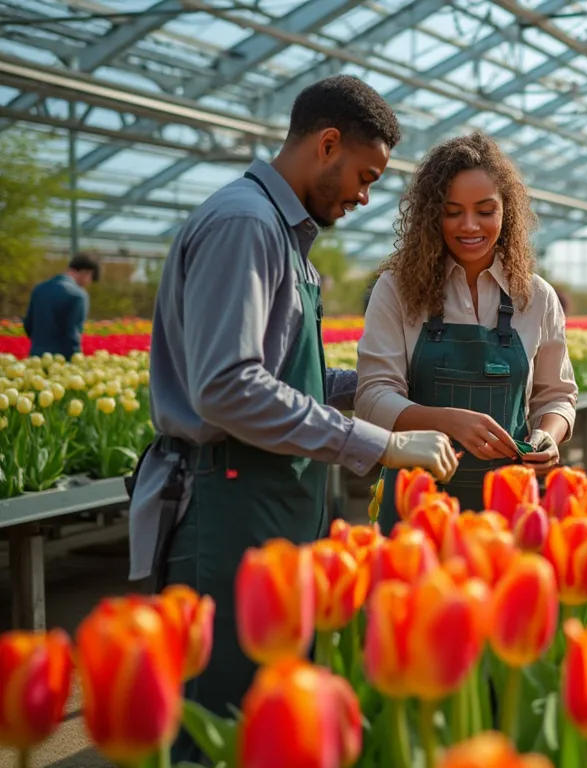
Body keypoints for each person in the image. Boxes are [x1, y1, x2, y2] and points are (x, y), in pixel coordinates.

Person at [126, 76, 456, 747]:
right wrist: (382, 444)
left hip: (271, 497)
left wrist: (389, 385)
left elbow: (286, 376)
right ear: (326, 144)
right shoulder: (245, 225)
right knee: (224, 716)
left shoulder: (281, 233)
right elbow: (229, 387)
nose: (364, 197)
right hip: (226, 505)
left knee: (272, 714)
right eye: (364, 177)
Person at [356, 132, 578, 520]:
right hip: (419, 505)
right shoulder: (397, 290)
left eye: (485, 210)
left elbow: (557, 395)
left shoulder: (536, 297)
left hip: (506, 507)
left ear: (507, 210)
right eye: (452, 211)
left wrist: (549, 434)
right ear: (431, 213)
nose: (470, 225)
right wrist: (445, 420)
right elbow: (373, 396)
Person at [22, 254, 100, 359]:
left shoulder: (39, 289)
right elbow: (73, 333)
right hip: (62, 360)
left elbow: (28, 324)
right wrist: (77, 358)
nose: (88, 283)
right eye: (90, 279)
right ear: (87, 273)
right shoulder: (78, 295)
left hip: (36, 356)